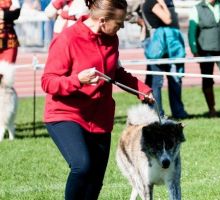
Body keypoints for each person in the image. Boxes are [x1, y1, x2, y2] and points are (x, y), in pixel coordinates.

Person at [41, 0, 154, 199]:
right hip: (66, 115)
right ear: (102, 21)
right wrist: (78, 80)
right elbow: (48, 82)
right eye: (118, 23)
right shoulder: (68, 39)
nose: (121, 27)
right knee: (82, 166)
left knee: (95, 181)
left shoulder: (112, 39)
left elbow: (116, 73)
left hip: (100, 118)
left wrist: (142, 90)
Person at [188, 0, 220, 117]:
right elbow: (192, 31)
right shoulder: (197, 8)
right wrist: (194, 50)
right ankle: (212, 110)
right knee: (207, 80)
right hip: (205, 50)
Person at [142, 0, 189, 119]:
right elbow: (168, 19)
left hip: (169, 45)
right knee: (156, 82)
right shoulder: (153, 3)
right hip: (158, 46)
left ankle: (178, 111)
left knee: (175, 79)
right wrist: (163, 3)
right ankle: (157, 113)